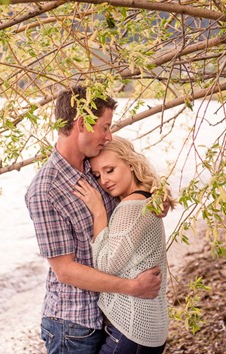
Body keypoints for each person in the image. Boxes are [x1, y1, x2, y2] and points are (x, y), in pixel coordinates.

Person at [25, 86, 163, 354]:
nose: (109, 136)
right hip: (73, 325)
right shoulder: (46, 190)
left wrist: (155, 200)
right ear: (82, 123)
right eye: (104, 127)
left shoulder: (97, 167)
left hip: (111, 315)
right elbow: (65, 271)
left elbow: (133, 190)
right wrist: (133, 288)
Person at [73, 137, 175, 354]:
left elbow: (106, 266)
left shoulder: (129, 207)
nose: (104, 181)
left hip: (131, 329)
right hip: (148, 329)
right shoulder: (148, 199)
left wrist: (98, 211)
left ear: (130, 163)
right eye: (98, 175)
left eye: (110, 170)